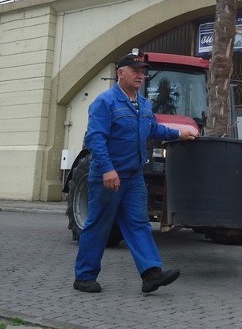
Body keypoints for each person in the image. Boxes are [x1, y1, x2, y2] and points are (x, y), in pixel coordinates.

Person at [73, 51, 198, 294]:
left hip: (133, 176)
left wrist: (179, 134)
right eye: (135, 71)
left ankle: (151, 273)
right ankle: (84, 276)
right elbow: (95, 138)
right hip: (108, 176)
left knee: (139, 223)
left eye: (143, 72)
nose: (141, 75)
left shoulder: (143, 104)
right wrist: (108, 170)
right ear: (121, 73)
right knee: (99, 225)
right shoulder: (105, 102)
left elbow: (154, 129)